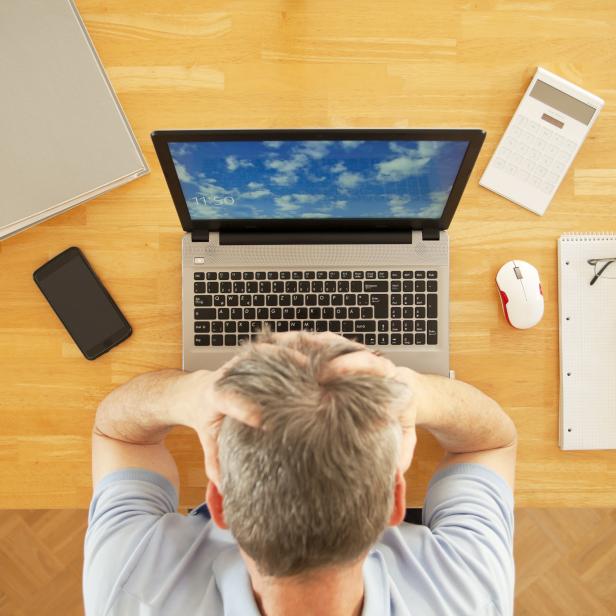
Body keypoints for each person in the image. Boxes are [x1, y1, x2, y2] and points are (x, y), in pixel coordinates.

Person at [83, 331, 517, 615]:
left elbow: (118, 433)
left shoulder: (132, 590)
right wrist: (407, 388)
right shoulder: (466, 594)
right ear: (395, 503)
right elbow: (491, 440)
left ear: (219, 503)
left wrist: (195, 391)